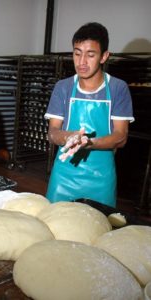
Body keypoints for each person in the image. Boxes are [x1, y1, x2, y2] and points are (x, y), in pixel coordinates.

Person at [44, 22, 134, 207]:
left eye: (90, 55)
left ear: (104, 57)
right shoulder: (64, 87)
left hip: (101, 179)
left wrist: (89, 142)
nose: (82, 62)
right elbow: (52, 132)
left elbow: (121, 136)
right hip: (63, 178)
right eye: (77, 53)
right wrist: (69, 136)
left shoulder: (117, 88)